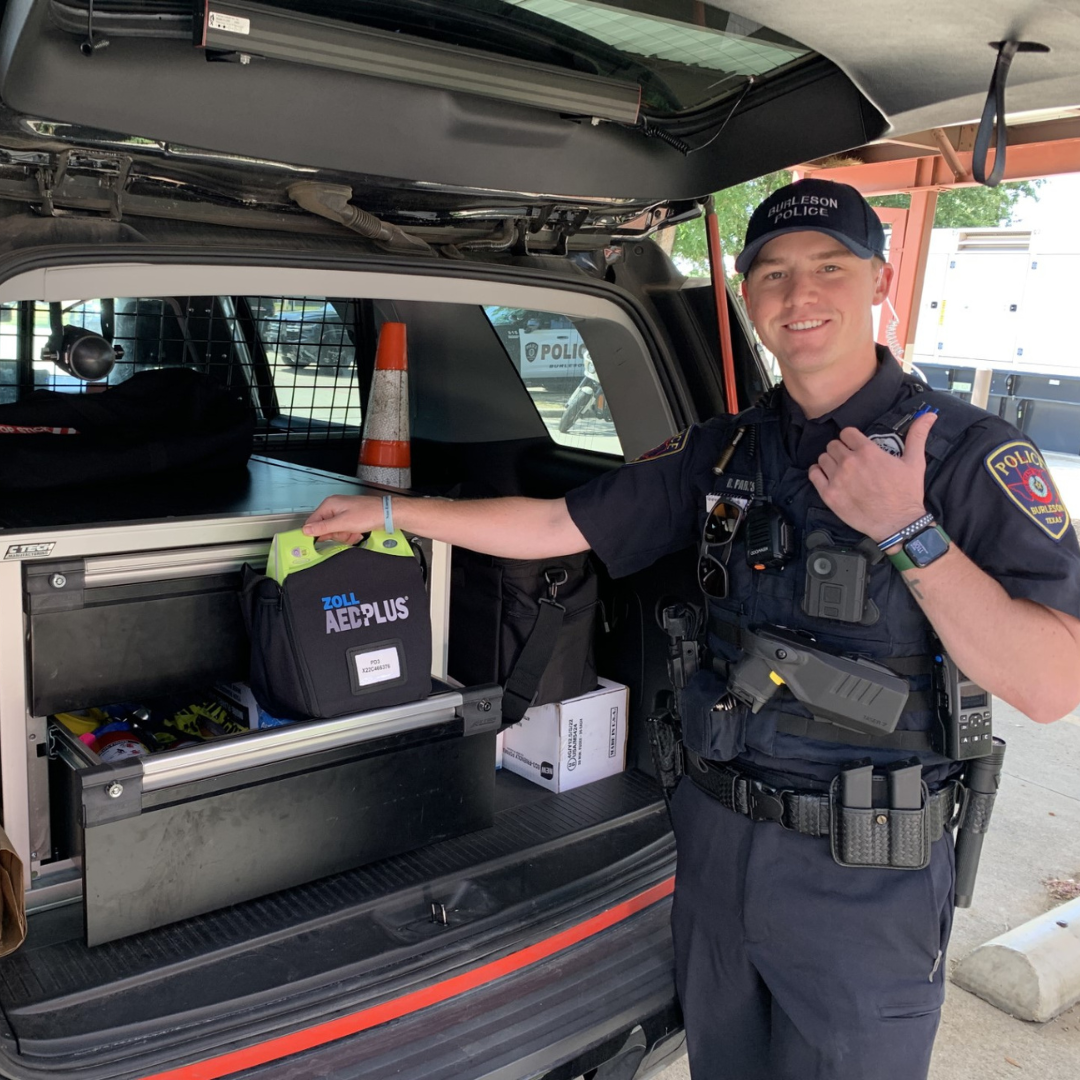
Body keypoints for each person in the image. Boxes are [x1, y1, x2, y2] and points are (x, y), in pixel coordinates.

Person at [303, 178, 1080, 1079]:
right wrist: (392, 517)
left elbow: (1052, 682)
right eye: (774, 273)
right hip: (716, 842)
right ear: (748, 297)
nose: (801, 295)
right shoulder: (725, 449)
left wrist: (909, 532)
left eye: (830, 266)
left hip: (864, 877)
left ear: (881, 282)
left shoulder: (968, 456)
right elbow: (560, 526)